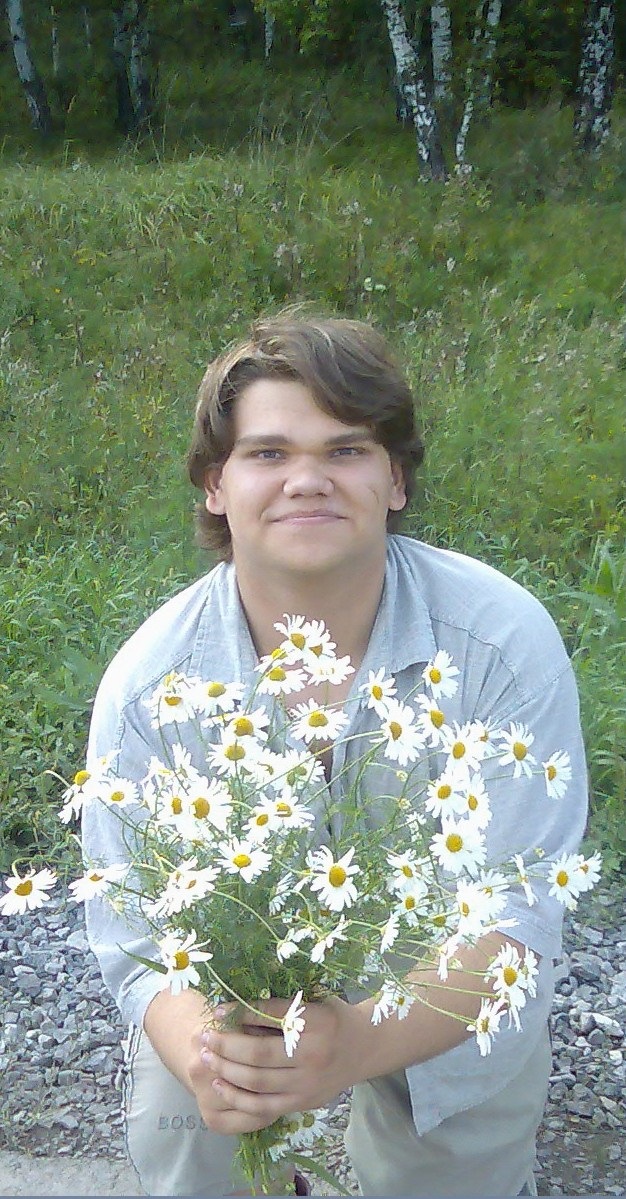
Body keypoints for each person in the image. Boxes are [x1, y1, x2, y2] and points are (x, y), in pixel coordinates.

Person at [83, 313, 588, 1197]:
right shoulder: (151, 684)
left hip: (445, 970)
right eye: (268, 453)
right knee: (195, 1135)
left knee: (450, 1163)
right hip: (237, 966)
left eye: (346, 450)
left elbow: (520, 908)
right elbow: (135, 932)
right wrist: (210, 1057)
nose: (307, 480)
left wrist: (354, 1043)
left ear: (395, 478)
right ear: (215, 484)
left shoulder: (501, 643)